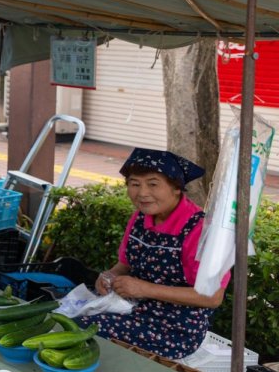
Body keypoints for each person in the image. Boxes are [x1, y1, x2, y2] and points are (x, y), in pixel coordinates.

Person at [79, 148, 230, 359]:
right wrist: (108, 276)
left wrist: (144, 289)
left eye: (152, 184)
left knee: (82, 330)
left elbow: (213, 297)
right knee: (68, 315)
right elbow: (124, 265)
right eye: (134, 184)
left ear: (177, 188)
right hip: (132, 309)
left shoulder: (201, 229)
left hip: (175, 330)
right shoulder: (140, 218)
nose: (142, 193)